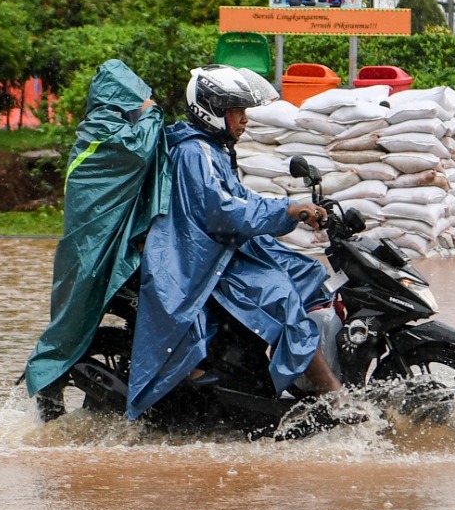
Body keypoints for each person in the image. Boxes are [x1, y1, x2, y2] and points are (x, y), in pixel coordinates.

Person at [125, 65, 349, 420]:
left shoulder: (212, 149)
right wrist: (288, 210)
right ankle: (333, 396)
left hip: (220, 246)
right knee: (281, 297)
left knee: (307, 272)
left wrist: (291, 210)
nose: (245, 120)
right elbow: (225, 213)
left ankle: (290, 372)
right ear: (212, 112)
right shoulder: (195, 152)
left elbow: (238, 199)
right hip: (199, 258)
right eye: (237, 112)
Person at [22, 60, 168, 413]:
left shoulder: (97, 131)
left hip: (89, 248)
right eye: (137, 99)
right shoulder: (105, 131)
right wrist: (153, 112)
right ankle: (49, 385)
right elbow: (139, 149)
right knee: (73, 322)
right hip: (91, 251)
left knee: (72, 322)